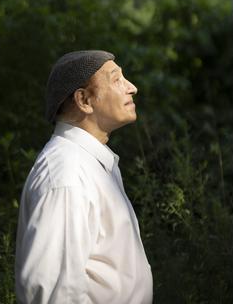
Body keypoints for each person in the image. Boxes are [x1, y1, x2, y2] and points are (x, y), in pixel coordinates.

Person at [15, 50, 153, 304]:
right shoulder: (67, 174)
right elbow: (49, 293)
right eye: (116, 80)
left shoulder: (89, 163)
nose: (132, 88)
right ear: (84, 99)